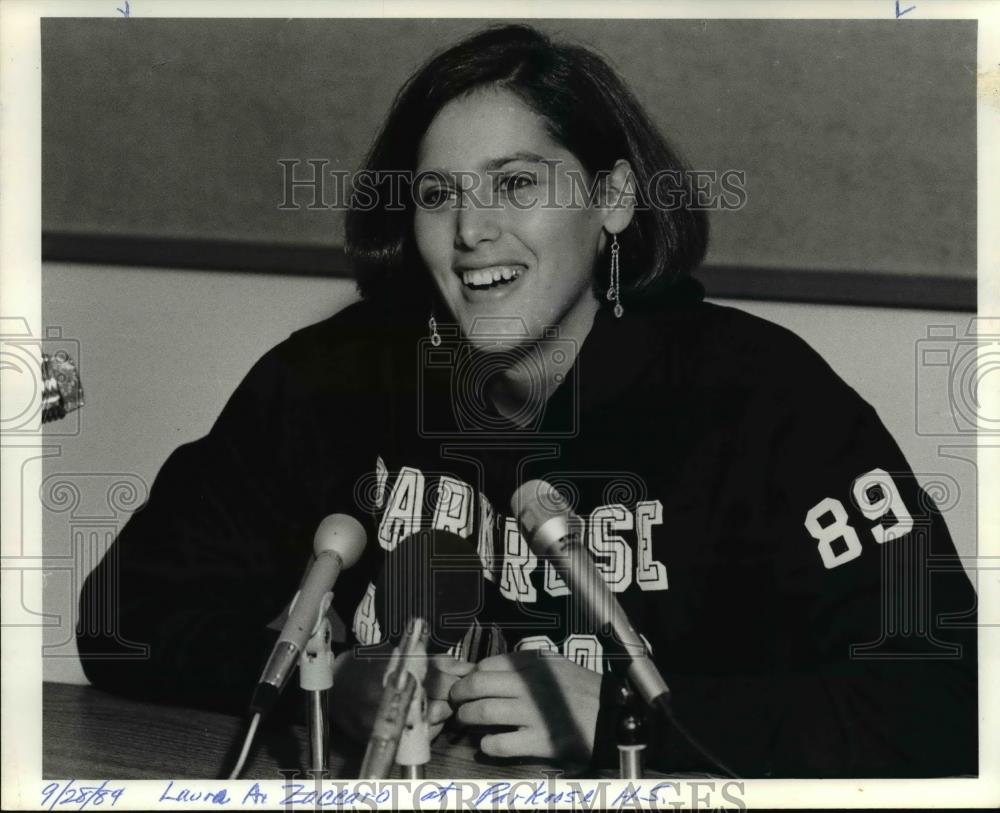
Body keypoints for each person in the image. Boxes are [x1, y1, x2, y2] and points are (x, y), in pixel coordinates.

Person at [77, 24, 977, 778]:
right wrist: (331, 678)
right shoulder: (332, 380)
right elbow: (121, 617)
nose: (472, 231)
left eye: (515, 183)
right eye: (439, 196)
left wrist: (629, 718)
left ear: (614, 199)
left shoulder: (763, 397)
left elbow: (948, 693)